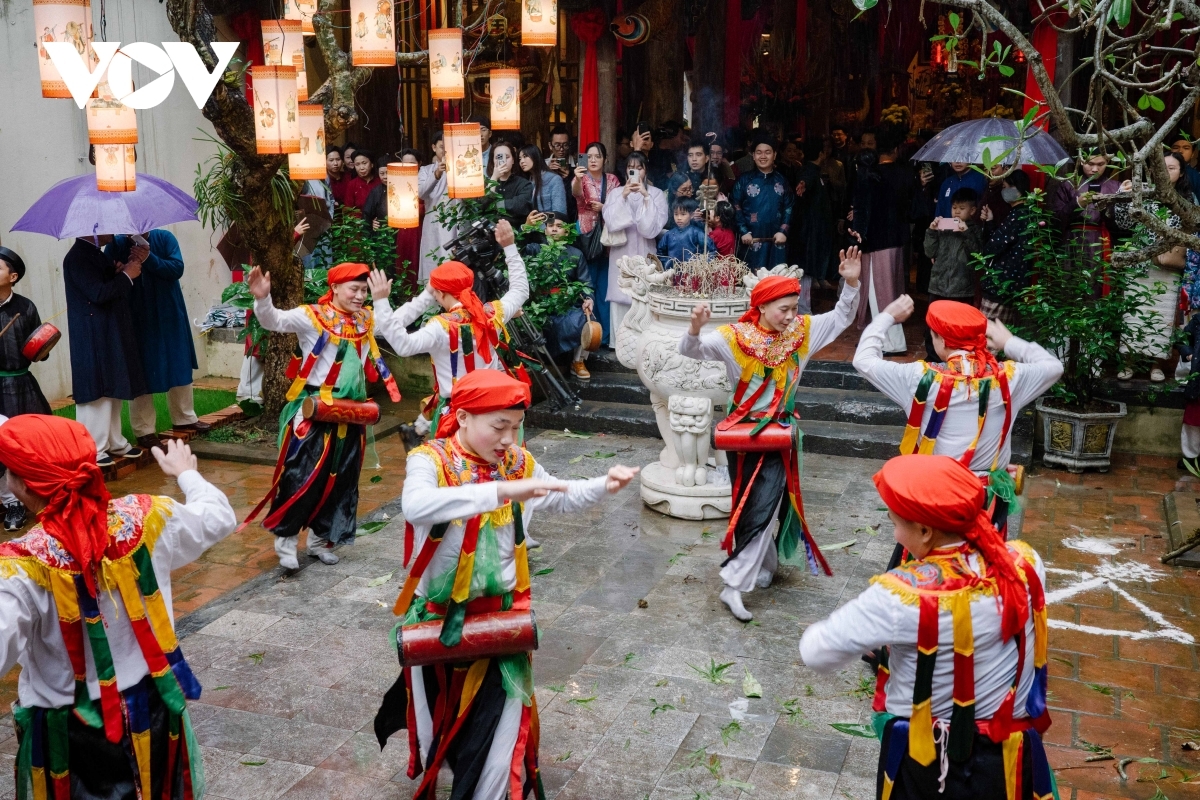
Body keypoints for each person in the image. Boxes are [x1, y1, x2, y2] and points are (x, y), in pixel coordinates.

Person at [373, 369, 638, 800]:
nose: (509, 439)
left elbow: (558, 495)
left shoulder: (518, 463)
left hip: (500, 625)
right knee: (444, 734)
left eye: (515, 427)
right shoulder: (430, 459)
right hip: (440, 625)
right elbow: (416, 505)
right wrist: (500, 492)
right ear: (461, 417)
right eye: (499, 426)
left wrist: (601, 486)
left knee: (496, 750)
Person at [0, 416, 237, 799]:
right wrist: (186, 475)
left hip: (72, 737)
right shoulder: (148, 517)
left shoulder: (19, 569)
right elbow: (218, 518)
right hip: (154, 710)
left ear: (24, 485)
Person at [799, 454, 1052, 800]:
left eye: (896, 523)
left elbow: (816, 652)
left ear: (925, 530)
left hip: (932, 767)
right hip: (1010, 761)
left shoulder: (900, 596)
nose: (894, 532)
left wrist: (849, 632)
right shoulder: (1026, 563)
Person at [678, 253, 862, 621]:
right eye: (784, 309)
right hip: (743, 438)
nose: (792, 316)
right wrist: (695, 328)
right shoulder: (734, 338)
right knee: (755, 505)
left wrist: (852, 283)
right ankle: (745, 577)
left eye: (795, 307)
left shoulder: (802, 333)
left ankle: (747, 577)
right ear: (761, 306)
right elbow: (690, 351)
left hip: (780, 435)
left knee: (767, 504)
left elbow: (842, 317)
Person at [855, 298, 1062, 549]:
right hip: (987, 500)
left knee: (930, 568)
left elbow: (863, 360)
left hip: (936, 497)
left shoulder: (917, 378)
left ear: (940, 340)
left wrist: (887, 316)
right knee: (985, 566)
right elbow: (1054, 366)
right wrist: (1010, 342)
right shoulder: (1009, 378)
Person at [244, 262, 402, 569]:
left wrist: (388, 300)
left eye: (364, 291)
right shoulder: (311, 316)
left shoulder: (365, 319)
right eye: (354, 290)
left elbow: (397, 324)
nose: (359, 296)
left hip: (351, 413)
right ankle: (286, 541)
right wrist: (263, 299)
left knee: (343, 479)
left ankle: (320, 540)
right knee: (301, 476)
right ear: (335, 288)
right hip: (314, 409)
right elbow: (273, 320)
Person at [371, 220, 529, 439]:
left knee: (455, 471)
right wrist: (509, 246)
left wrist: (381, 302)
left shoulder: (439, 326)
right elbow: (520, 290)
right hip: (494, 409)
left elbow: (403, 346)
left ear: (440, 294)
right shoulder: (493, 312)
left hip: (458, 416)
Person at [104, 230, 207, 452]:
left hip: (169, 311)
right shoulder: (116, 245)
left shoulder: (165, 238)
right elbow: (106, 275)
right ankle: (144, 431)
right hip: (135, 316)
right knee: (141, 370)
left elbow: (176, 269)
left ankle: (185, 417)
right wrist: (119, 271)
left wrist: (149, 258)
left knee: (179, 362)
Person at [63, 234, 147, 466]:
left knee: (112, 384)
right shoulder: (78, 257)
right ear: (93, 229)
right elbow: (97, 294)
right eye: (108, 226)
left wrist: (116, 273)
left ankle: (114, 441)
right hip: (91, 333)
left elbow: (102, 286)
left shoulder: (94, 254)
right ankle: (93, 448)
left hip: (106, 329)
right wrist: (127, 276)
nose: (113, 231)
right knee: (96, 390)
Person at [851, 129, 932, 354]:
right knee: (891, 288)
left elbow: (860, 208)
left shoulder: (869, 173)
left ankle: (891, 342)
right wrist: (921, 186)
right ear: (896, 150)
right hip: (897, 240)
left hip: (873, 241)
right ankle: (884, 340)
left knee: (877, 292)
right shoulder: (907, 174)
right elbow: (918, 211)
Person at [1114, 151, 1194, 381]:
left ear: (1181, 173)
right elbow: (1123, 222)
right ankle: (1128, 362)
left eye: (1172, 168)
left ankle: (1156, 365)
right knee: (1133, 313)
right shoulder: (1144, 192)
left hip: (1168, 267)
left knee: (1162, 315)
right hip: (1140, 264)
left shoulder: (1187, 200)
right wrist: (1123, 195)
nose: (1167, 171)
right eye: (1163, 167)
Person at [0, 248, 52, 530]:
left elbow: (39, 354)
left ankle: (39, 495)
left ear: (13, 276)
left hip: (22, 383)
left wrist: (43, 346)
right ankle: (12, 504)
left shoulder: (26, 307)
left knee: (31, 441)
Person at [602, 151, 670, 334]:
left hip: (645, 251)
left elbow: (650, 229)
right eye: (631, 168)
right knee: (620, 292)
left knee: (645, 294)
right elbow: (611, 222)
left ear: (645, 171)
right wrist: (623, 196)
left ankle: (645, 341)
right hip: (620, 253)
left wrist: (646, 197)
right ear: (626, 171)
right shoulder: (616, 193)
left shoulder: (655, 194)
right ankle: (618, 344)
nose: (635, 172)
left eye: (639, 168)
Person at [524, 213, 596, 379]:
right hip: (540, 304)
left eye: (559, 225)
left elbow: (585, 284)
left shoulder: (576, 254)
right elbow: (516, 248)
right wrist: (526, 228)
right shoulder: (535, 249)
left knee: (587, 318)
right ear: (545, 230)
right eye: (550, 226)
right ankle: (534, 363)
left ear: (567, 231)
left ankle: (577, 361)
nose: (554, 228)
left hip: (567, 304)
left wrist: (588, 299)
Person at [922, 188, 983, 358]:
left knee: (958, 326)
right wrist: (932, 231)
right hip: (938, 285)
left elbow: (977, 255)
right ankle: (932, 357)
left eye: (961, 208)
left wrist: (966, 233)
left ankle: (957, 357)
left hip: (962, 288)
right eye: (954, 207)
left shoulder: (976, 230)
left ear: (972, 211)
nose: (956, 211)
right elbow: (929, 252)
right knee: (933, 325)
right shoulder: (945, 227)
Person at [572, 142, 623, 346]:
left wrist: (605, 207)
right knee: (587, 285)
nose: (593, 160)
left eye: (597, 156)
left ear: (605, 159)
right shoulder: (581, 179)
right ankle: (587, 334)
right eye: (589, 156)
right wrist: (576, 177)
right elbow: (576, 194)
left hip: (608, 238)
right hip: (586, 235)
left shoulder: (612, 179)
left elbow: (620, 204)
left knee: (605, 287)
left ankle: (604, 337)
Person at [730, 133, 794, 270]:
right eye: (758, 153)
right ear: (753, 156)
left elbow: (789, 207)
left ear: (775, 155)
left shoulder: (782, 181)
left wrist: (783, 231)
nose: (763, 156)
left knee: (776, 283)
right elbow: (735, 205)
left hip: (777, 242)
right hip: (750, 242)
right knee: (750, 284)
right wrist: (743, 231)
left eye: (767, 152)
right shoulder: (744, 180)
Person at [978, 170, 1033, 327]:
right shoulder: (1025, 213)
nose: (1003, 191)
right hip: (1013, 284)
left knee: (989, 335)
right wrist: (990, 221)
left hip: (1002, 284)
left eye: (1005, 186)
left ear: (1017, 188)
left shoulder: (1018, 215)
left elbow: (994, 246)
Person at [1051, 153, 1120, 261]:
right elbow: (1055, 220)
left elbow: (1121, 225)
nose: (1095, 169)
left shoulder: (1116, 187)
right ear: (1082, 161)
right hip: (1072, 241)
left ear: (1107, 162)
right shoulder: (1068, 185)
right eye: (1090, 164)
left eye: (1100, 164)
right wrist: (1077, 204)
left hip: (1102, 241)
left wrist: (1105, 208)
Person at [790, 138, 837, 295]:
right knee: (811, 254)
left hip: (819, 222)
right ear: (821, 154)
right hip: (811, 223)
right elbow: (805, 182)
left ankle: (819, 277)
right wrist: (803, 184)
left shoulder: (814, 170)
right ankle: (814, 279)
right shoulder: (809, 170)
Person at [417, 131, 459, 284]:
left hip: (455, 222)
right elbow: (421, 193)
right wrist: (437, 173)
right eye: (442, 147)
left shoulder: (461, 169)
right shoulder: (425, 170)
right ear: (434, 147)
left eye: (449, 147)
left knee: (454, 264)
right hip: (433, 223)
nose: (446, 151)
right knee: (433, 264)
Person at [488, 141, 536, 230]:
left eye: (507, 157)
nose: (503, 161)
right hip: (490, 235)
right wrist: (494, 177)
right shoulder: (487, 183)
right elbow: (483, 204)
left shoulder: (524, 184)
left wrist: (494, 205)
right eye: (498, 157)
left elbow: (520, 206)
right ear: (493, 161)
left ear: (513, 160)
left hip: (518, 234)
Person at [658, 198, 717, 269]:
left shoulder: (696, 233)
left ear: (691, 215)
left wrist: (701, 264)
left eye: (683, 214)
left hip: (692, 272)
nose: (679, 218)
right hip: (673, 272)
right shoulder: (669, 234)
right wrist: (667, 263)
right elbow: (660, 252)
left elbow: (712, 249)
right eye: (676, 214)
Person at [519, 144, 567, 215]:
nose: (522, 161)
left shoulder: (554, 180)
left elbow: (559, 212)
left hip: (549, 224)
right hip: (529, 224)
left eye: (525, 156)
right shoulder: (526, 181)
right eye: (519, 159)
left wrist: (544, 224)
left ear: (535, 156)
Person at [666, 140, 710, 212]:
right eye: (690, 155)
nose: (694, 159)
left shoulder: (712, 177)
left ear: (706, 158)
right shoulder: (681, 177)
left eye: (698, 155)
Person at [546, 125, 577, 221]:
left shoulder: (577, 165)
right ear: (550, 145)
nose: (561, 149)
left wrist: (571, 176)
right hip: (551, 215)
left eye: (565, 145)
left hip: (573, 216)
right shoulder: (543, 165)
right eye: (557, 145)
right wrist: (547, 172)